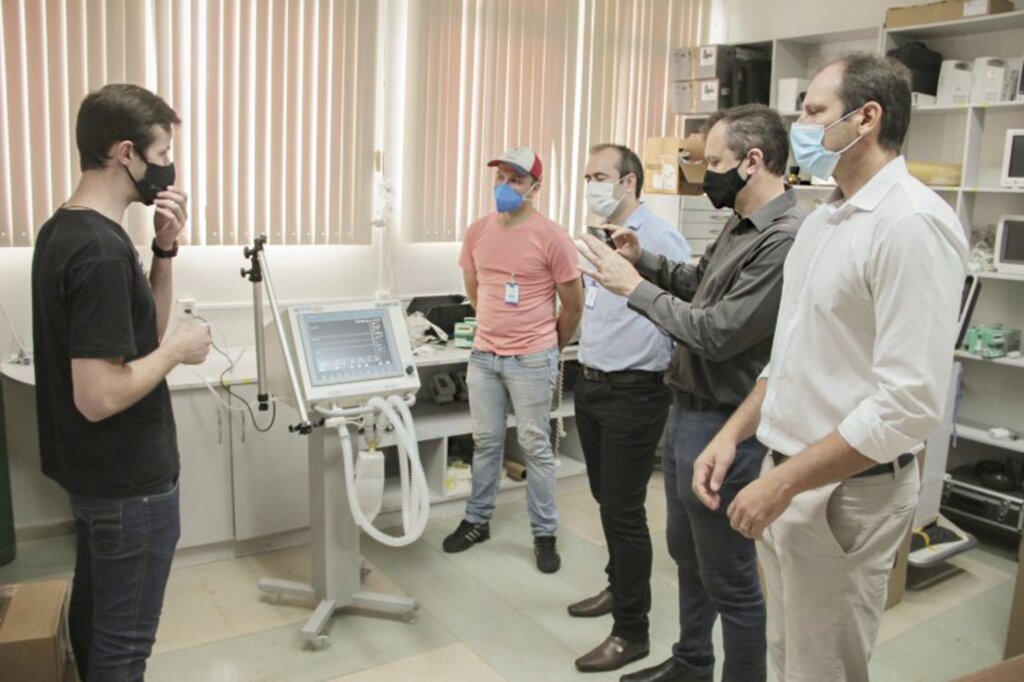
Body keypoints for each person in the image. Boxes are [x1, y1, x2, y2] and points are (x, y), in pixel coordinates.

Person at [691, 55, 967, 682]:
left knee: (825, 668)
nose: (800, 124)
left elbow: (909, 405)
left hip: (846, 492)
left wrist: (787, 483)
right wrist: (733, 436)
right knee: (786, 656)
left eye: (814, 110)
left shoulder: (911, 225)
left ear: (865, 118)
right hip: (784, 469)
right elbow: (790, 358)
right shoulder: (824, 219)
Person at [578, 104, 805, 682]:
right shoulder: (738, 222)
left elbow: (717, 332)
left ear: (752, 162)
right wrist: (644, 260)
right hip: (688, 411)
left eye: (714, 163)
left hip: (728, 425)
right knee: (689, 557)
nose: (706, 176)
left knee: (730, 575)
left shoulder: (782, 240)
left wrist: (633, 289)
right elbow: (696, 284)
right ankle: (692, 664)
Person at [32, 83, 212, 681]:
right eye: (162, 153)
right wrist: (181, 350)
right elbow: (100, 393)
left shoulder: (69, 230)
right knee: (124, 648)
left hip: (96, 480)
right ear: (126, 153)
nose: (168, 168)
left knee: (96, 626)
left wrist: (164, 252)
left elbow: (140, 339)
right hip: (129, 487)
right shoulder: (100, 253)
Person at [570, 143, 691, 674]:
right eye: (588, 175)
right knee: (605, 499)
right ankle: (618, 587)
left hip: (635, 392)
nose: (592, 185)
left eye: (601, 176)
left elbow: (683, 311)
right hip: (593, 385)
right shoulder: (599, 236)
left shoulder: (659, 240)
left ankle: (630, 631)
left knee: (624, 513)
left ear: (629, 183)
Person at [444, 146, 584, 574]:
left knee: (535, 446)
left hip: (532, 358)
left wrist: (547, 348)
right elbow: (475, 289)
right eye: (501, 178)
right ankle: (477, 520)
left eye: (516, 180)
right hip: (484, 356)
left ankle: (544, 533)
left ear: (535, 188)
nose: (505, 187)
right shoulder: (478, 231)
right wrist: (495, 329)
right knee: (485, 442)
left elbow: (573, 306)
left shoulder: (553, 236)